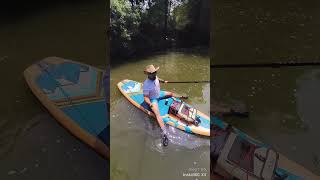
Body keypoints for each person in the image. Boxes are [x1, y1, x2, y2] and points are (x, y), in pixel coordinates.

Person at [143, 64, 187, 146]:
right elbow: (145, 97)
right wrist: (150, 104)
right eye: (152, 73)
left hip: (159, 94)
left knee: (171, 93)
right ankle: (164, 134)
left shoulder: (155, 77)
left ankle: (181, 96)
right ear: (148, 74)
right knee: (157, 114)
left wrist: (163, 81)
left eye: (155, 72)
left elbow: (157, 79)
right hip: (153, 99)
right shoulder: (146, 84)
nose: (154, 74)